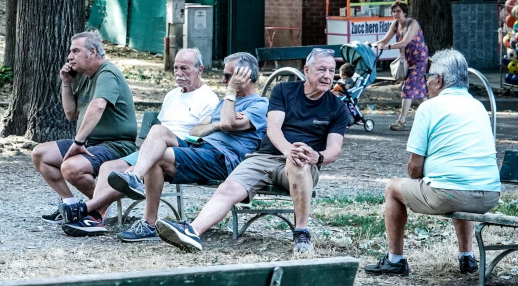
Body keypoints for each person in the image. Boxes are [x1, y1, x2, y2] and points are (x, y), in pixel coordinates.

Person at [153, 48, 351, 253]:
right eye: (321, 70)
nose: (327, 76)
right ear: (307, 70)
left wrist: (316, 156)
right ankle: (192, 232)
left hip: (303, 163)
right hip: (264, 157)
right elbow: (273, 128)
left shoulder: (337, 107)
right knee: (228, 188)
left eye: (331, 71)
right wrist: (287, 150)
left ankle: (301, 232)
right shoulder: (284, 90)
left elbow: (334, 150)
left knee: (298, 163)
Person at [96, 52, 269, 242]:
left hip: (223, 158)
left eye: (228, 76)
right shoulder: (225, 103)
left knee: (158, 157)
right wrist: (217, 124)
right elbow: (196, 130)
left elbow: (227, 123)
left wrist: (229, 98)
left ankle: (148, 223)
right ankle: (136, 177)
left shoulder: (259, 104)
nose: (223, 81)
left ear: (245, 76)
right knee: (158, 130)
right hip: (202, 146)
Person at [364, 49, 500, 277]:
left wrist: (427, 171)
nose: (425, 82)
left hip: (449, 194)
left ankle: (395, 259)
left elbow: (414, 169)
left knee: (392, 188)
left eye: (428, 76)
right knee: (458, 185)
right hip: (489, 195)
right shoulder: (478, 106)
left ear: (439, 79)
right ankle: (467, 256)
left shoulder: (429, 107)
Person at [58, 47, 219, 236]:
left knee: (151, 141)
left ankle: (90, 209)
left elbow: (200, 136)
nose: (178, 73)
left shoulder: (209, 98)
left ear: (200, 69)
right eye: (176, 68)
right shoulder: (172, 95)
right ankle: (96, 218)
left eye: (184, 68)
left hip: (183, 151)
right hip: (156, 146)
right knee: (109, 167)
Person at [32, 31, 138, 223]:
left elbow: (98, 106)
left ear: (93, 52)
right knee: (41, 154)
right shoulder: (83, 77)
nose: (69, 57)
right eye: (70, 52)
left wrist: (78, 142)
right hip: (92, 143)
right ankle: (70, 205)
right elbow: (71, 113)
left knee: (71, 168)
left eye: (76, 51)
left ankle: (99, 206)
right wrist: (66, 83)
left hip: (117, 145)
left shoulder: (107, 74)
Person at [372, 0, 429, 131]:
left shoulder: (412, 23)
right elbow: (385, 40)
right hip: (407, 60)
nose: (395, 14)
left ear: (404, 12)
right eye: (393, 11)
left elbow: (404, 42)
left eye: (398, 11)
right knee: (420, 94)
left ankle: (401, 121)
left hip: (419, 60)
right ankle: (435, 117)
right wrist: (372, 45)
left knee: (407, 88)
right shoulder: (395, 24)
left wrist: (388, 47)